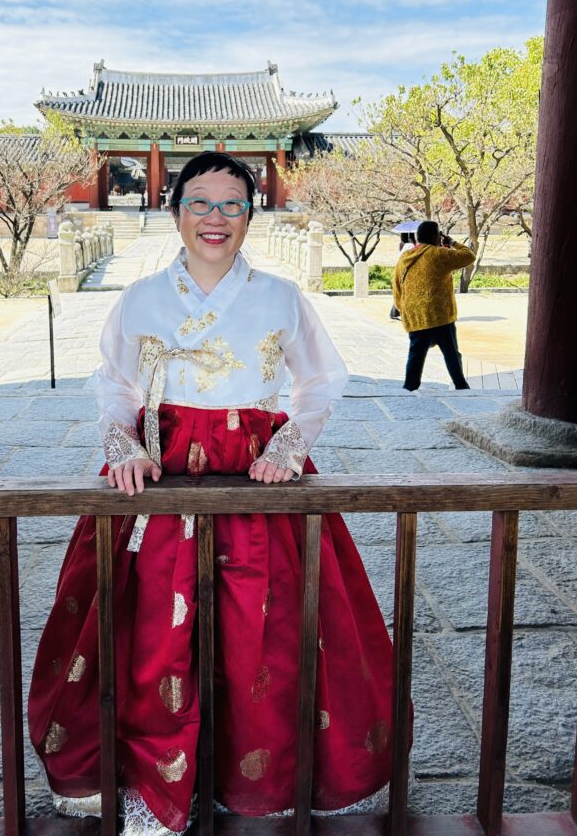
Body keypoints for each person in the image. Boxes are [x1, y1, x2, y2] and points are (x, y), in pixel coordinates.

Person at [28, 152, 395, 834]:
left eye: (232, 204)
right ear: (175, 212)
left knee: (264, 629)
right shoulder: (141, 298)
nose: (215, 218)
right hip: (163, 470)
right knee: (149, 632)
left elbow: (320, 379)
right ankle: (150, 782)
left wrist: (289, 445)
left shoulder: (280, 296)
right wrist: (123, 444)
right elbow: (116, 384)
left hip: (252, 470)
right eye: (199, 202)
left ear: (251, 216)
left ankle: (256, 778)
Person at [391, 219, 475, 391]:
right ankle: (461, 387)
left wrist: (405, 309)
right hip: (439, 315)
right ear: (437, 237)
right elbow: (469, 256)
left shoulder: (404, 258)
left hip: (415, 314)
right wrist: (452, 242)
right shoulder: (439, 254)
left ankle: (409, 388)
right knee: (451, 353)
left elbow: (397, 288)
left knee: (416, 355)